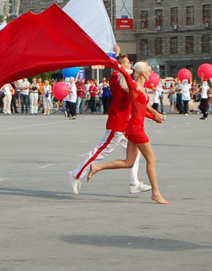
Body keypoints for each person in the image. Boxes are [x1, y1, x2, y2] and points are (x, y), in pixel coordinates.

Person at [69, 51, 162, 196]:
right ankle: (76, 174)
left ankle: (134, 183)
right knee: (102, 150)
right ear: (120, 66)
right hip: (118, 122)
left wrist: (153, 114)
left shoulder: (125, 81)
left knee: (134, 155)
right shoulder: (117, 79)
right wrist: (116, 61)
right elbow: (132, 97)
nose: (130, 65)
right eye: (127, 63)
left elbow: (137, 106)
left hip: (126, 124)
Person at [86, 60, 169, 204]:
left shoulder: (142, 88)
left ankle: (97, 167)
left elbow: (142, 107)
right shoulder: (134, 86)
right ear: (143, 72)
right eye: (149, 70)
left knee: (129, 162)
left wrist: (154, 114)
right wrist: (112, 59)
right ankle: (155, 193)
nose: (151, 73)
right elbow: (123, 72)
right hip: (136, 129)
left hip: (133, 127)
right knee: (151, 159)